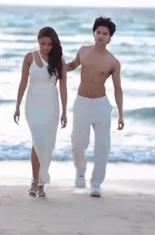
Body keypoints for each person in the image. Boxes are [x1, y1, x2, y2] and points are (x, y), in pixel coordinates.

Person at [66, 17, 124, 197]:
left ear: (109, 38)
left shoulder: (113, 61)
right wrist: (57, 64)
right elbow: (71, 66)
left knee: (103, 146)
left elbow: (117, 87)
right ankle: (80, 171)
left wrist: (121, 114)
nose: (101, 35)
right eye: (98, 32)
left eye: (105, 33)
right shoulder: (83, 51)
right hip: (82, 102)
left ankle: (96, 183)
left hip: (101, 105)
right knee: (78, 143)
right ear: (94, 33)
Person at [13, 26, 67, 198]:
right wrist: (17, 106)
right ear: (38, 41)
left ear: (54, 44)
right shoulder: (29, 57)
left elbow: (64, 88)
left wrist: (64, 111)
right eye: (43, 43)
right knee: (37, 140)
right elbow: (23, 82)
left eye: (49, 44)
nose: (45, 47)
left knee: (46, 144)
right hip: (33, 103)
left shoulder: (59, 61)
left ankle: (40, 184)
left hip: (51, 104)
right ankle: (34, 181)